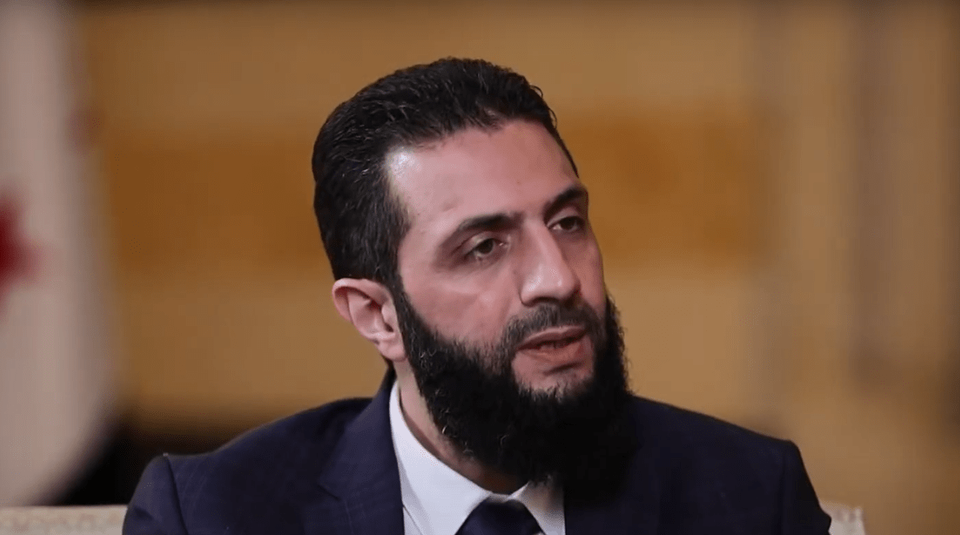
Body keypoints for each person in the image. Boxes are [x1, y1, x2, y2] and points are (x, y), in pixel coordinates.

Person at [123, 58, 832, 535]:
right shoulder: (214, 516)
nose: (557, 279)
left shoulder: (747, 495)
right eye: (485, 246)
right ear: (378, 315)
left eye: (567, 222)